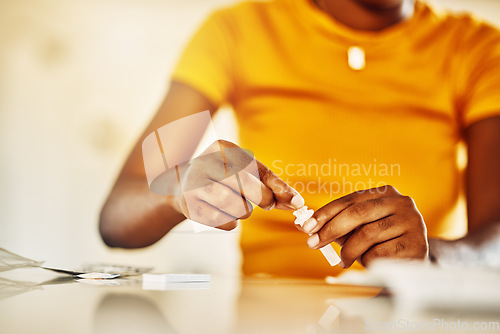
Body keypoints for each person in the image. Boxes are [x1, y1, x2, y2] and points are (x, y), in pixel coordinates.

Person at [99, 0, 500, 278]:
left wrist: (434, 261)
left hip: (411, 315)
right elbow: (117, 218)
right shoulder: (238, 32)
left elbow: (494, 242)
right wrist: (178, 190)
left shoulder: (478, 50)